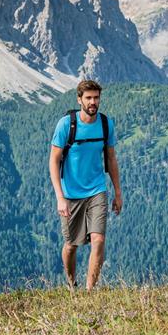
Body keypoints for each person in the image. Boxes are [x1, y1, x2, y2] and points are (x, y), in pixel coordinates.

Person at [49, 80, 122, 291]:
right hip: (70, 193)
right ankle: (72, 285)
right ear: (79, 99)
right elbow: (54, 160)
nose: (93, 102)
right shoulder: (66, 125)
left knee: (98, 240)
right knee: (71, 245)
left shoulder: (106, 124)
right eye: (88, 98)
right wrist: (60, 197)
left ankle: (90, 292)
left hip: (97, 189)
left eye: (96, 98)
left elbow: (111, 159)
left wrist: (117, 192)